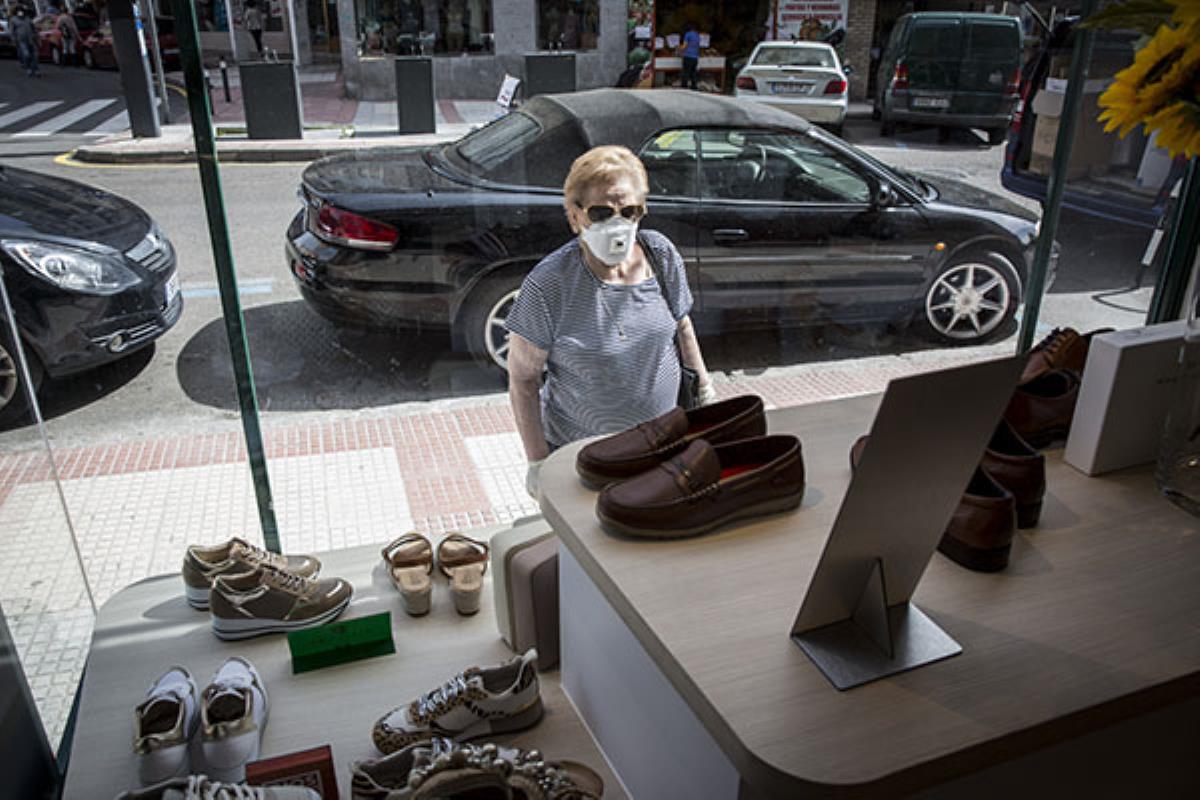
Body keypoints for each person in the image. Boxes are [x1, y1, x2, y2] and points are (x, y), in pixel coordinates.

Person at [506, 146, 715, 497]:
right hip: (585, 465)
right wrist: (538, 464)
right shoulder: (548, 284)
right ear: (574, 216)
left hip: (663, 453)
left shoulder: (660, 255)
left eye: (629, 211)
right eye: (601, 212)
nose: (617, 224)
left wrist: (707, 398)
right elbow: (523, 381)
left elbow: (682, 327)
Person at [12, 5, 39, 78]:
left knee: (35, 56)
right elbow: (12, 31)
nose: (20, 13)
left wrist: (37, 37)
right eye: (19, 11)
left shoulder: (28, 19)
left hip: (31, 40)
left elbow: (34, 29)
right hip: (22, 40)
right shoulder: (14, 20)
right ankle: (29, 68)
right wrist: (14, 40)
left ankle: (35, 70)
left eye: (21, 11)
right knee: (26, 55)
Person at [679, 23, 700, 90]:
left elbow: (685, 46)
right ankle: (694, 86)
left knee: (686, 72)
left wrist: (679, 49)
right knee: (693, 72)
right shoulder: (697, 35)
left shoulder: (688, 34)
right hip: (695, 57)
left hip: (688, 56)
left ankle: (684, 86)